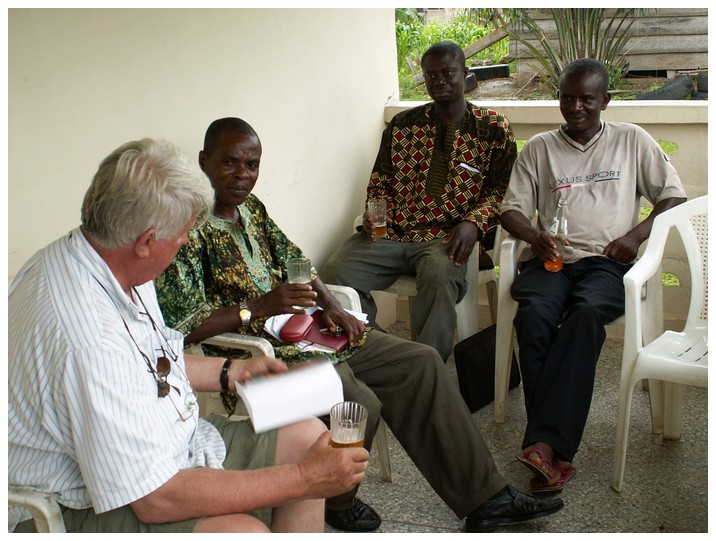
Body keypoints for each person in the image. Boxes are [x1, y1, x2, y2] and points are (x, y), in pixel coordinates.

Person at [155, 117, 564, 533]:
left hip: (306, 333)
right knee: (356, 402)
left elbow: (298, 261)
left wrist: (332, 304)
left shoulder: (251, 211)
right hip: (256, 360)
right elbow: (182, 327)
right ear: (204, 161)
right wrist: (258, 306)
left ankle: (486, 498)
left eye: (252, 164)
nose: (242, 176)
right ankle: (337, 498)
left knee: (420, 362)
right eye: (230, 163)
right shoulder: (187, 228)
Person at [8, 138, 370, 533]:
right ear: (146, 241)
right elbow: (154, 498)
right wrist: (305, 479)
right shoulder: (88, 339)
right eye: (181, 235)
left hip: (170, 441)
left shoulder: (109, 257)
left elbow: (147, 355)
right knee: (245, 531)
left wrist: (229, 371)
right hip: (72, 500)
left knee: (309, 437)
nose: (183, 242)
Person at [499, 58, 687, 493]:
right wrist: (535, 234)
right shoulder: (540, 149)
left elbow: (672, 197)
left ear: (606, 100)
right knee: (535, 315)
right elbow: (510, 209)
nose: (576, 106)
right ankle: (550, 448)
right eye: (567, 97)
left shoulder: (632, 140)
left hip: (607, 262)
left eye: (587, 98)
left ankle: (545, 446)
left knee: (585, 315)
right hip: (551, 261)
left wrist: (636, 236)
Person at [321, 40, 517, 361]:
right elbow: (381, 182)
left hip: (448, 239)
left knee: (440, 277)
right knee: (336, 272)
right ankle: (385, 353)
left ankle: (427, 367)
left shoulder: (492, 128)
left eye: (448, 73)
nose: (439, 81)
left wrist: (473, 223)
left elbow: (503, 189)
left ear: (465, 74)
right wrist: (376, 217)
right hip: (394, 234)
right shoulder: (402, 125)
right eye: (431, 75)